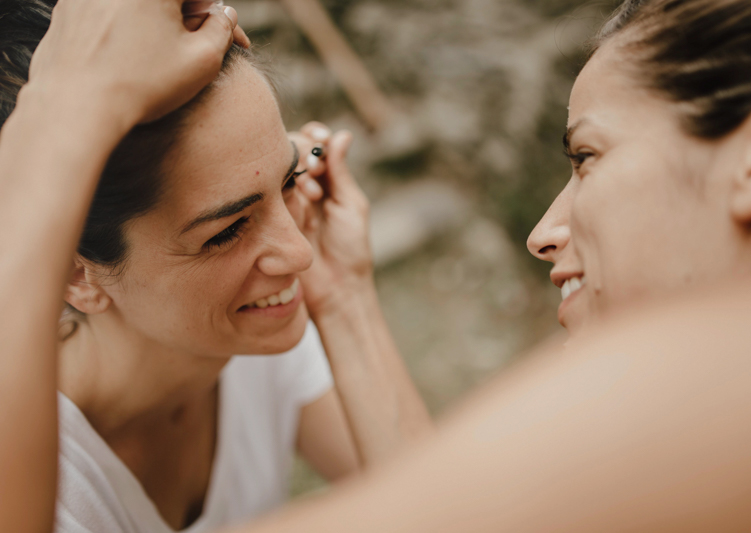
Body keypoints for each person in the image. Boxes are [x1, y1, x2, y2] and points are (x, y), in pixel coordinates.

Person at [0, 1, 430, 532]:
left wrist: (344, 297)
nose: (300, 253)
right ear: (76, 275)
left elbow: (445, 513)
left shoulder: (246, 337)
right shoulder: (53, 488)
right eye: (227, 230)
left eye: (289, 181)